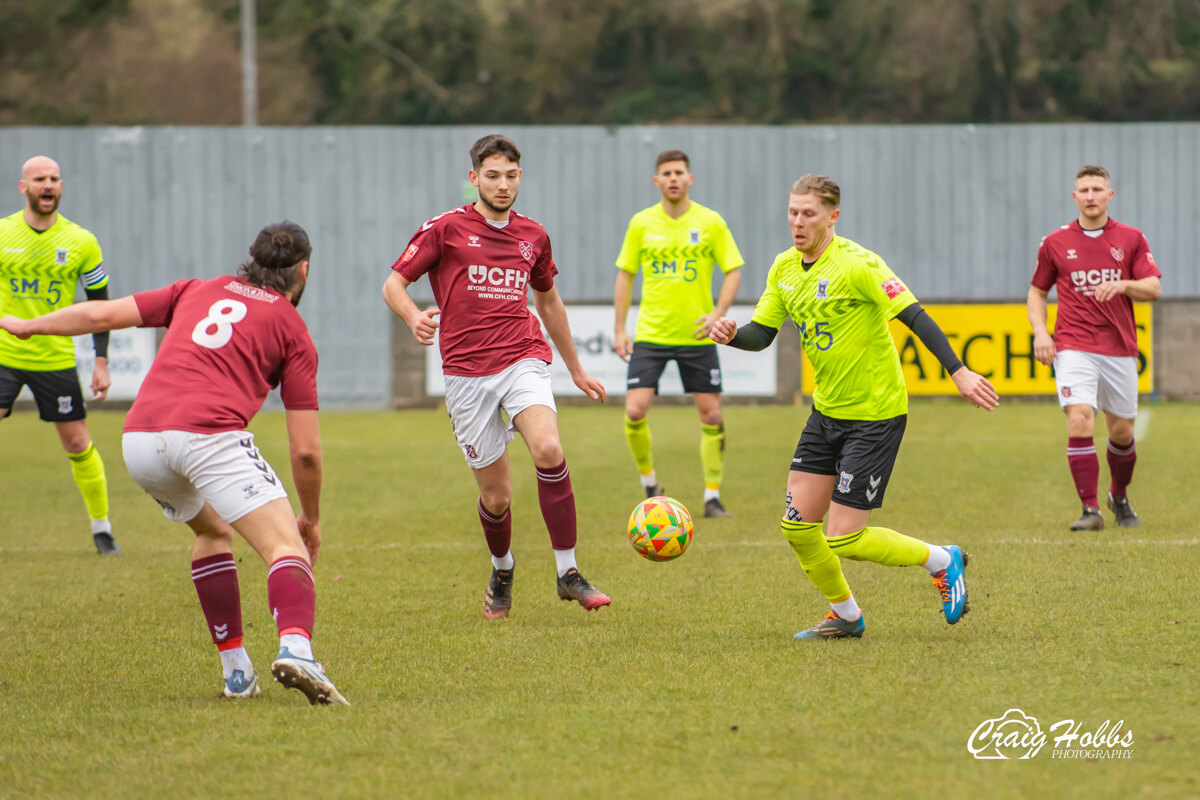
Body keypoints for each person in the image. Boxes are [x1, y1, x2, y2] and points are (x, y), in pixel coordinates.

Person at [0, 221, 348, 705]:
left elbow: (105, 313)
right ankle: (297, 649)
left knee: (211, 532)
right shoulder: (293, 329)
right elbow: (306, 450)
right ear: (304, 270)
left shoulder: (196, 289)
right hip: (208, 438)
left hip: (140, 441)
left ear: (251, 259)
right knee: (284, 547)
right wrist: (309, 517)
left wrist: (29, 325)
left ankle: (237, 673)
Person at [709, 175, 999, 640]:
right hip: (826, 414)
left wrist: (957, 370)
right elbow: (761, 335)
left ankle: (943, 560)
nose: (797, 223)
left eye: (808, 214)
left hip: (875, 415)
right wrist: (731, 335)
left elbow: (914, 315)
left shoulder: (859, 264)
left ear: (832, 217)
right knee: (799, 528)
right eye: (792, 212)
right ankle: (845, 616)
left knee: (844, 536)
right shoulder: (784, 268)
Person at [383, 134, 610, 621]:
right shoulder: (443, 229)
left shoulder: (534, 235)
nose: (503, 185)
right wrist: (411, 316)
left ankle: (568, 573)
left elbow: (547, 300)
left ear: (520, 177)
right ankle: (502, 568)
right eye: (492, 176)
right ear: (474, 179)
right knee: (497, 496)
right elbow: (394, 283)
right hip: (466, 374)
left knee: (548, 448)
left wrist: (574, 367)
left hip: (522, 356)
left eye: (511, 176)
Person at [1028, 165, 1162, 531]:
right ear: (1075, 197)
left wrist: (1123, 286)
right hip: (1073, 344)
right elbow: (1037, 292)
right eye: (1083, 190)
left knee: (1121, 433)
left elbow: (1153, 288)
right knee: (1079, 418)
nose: (1090, 196)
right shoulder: (1054, 242)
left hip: (1119, 347)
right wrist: (1042, 333)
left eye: (1096, 189)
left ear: (1109, 195)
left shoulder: (1131, 238)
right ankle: (1090, 510)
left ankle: (1117, 495)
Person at [613, 149, 743, 517]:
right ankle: (649, 483)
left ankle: (712, 497)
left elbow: (733, 270)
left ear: (690, 179)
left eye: (679, 172)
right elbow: (625, 273)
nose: (673, 178)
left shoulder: (711, 221)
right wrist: (620, 328)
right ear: (657, 181)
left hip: (697, 337)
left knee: (712, 416)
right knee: (635, 411)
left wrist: (718, 314)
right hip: (651, 335)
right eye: (666, 173)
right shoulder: (641, 223)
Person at [0, 156, 119, 554]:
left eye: (53, 179)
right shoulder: (3, 234)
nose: (47, 185)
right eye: (39, 179)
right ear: (24, 187)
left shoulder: (81, 241)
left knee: (76, 441)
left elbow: (100, 305)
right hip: (4, 354)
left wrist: (100, 360)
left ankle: (102, 530)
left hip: (54, 358)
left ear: (61, 186)